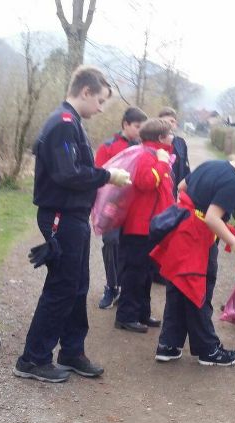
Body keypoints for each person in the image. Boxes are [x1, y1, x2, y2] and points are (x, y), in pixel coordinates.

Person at [14, 66, 132, 383]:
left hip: (74, 217)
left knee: (77, 286)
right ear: (85, 92)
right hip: (60, 216)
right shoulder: (63, 124)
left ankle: (71, 351)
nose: (102, 108)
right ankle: (32, 359)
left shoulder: (72, 123)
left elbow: (74, 168)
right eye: (101, 101)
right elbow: (68, 174)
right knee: (61, 288)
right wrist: (107, 175)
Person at [151, 137, 235, 366]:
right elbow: (212, 218)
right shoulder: (232, 183)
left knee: (178, 289)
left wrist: (193, 212)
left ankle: (169, 344)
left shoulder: (212, 165)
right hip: (197, 240)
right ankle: (208, 350)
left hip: (180, 233)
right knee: (198, 292)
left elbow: (181, 187)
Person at [114, 118, 175, 333]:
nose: (172, 137)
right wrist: (161, 162)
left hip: (151, 226)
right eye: (169, 133)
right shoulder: (146, 155)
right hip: (139, 226)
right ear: (160, 137)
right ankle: (126, 316)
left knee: (147, 273)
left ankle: (142, 313)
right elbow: (146, 181)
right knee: (134, 272)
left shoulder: (156, 154)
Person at [94, 106, 148, 310]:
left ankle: (126, 289)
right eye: (137, 126)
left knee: (130, 247)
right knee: (110, 242)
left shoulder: (143, 148)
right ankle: (111, 285)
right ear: (125, 124)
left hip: (134, 207)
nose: (140, 131)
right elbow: (98, 175)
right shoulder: (108, 146)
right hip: (112, 205)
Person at [158, 107, 191, 198]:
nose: (170, 124)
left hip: (174, 191)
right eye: (167, 121)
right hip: (159, 189)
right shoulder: (154, 141)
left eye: (173, 121)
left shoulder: (181, 142)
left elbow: (185, 168)